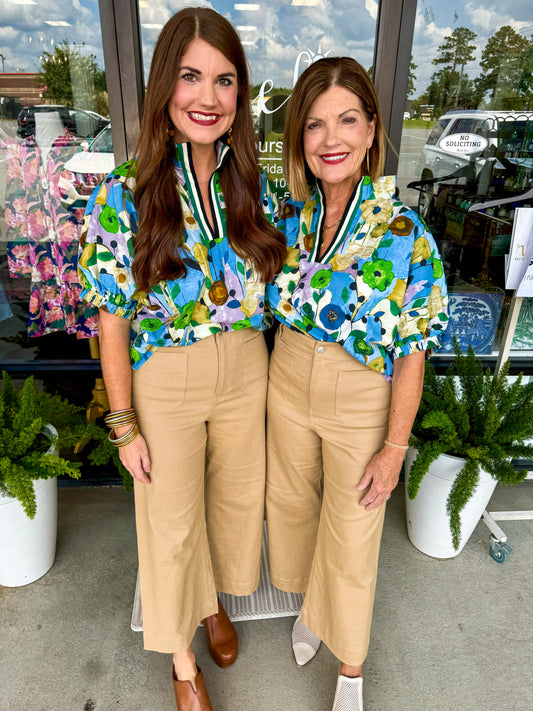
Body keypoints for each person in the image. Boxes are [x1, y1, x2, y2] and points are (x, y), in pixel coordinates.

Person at [78, 8, 285, 711]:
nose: (207, 96)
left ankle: (209, 603)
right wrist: (123, 423)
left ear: (240, 95)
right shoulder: (125, 194)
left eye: (224, 80)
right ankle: (181, 659)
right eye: (191, 76)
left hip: (245, 366)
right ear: (165, 86)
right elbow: (110, 316)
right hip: (165, 375)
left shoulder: (251, 184)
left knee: (230, 504)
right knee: (167, 517)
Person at [265, 57, 448, 711]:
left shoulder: (406, 237)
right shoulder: (290, 218)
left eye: (346, 119)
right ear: (299, 139)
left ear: (372, 130)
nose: (329, 138)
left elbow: (412, 353)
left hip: (359, 392)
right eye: (313, 124)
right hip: (285, 378)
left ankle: (350, 667)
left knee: (353, 529)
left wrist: (394, 446)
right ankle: (314, 609)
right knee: (295, 508)